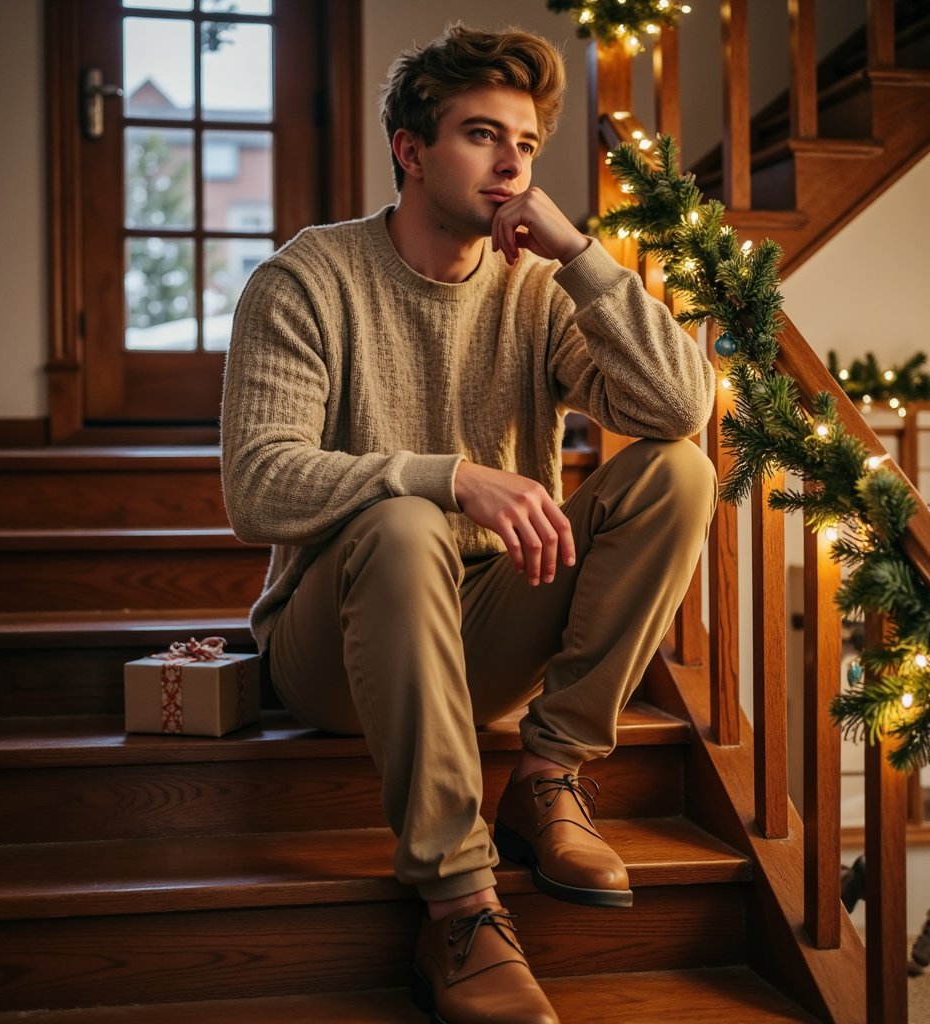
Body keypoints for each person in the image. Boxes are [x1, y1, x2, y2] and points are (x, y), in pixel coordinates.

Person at [221, 23, 716, 1024]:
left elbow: (675, 404)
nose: (509, 164)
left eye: (525, 145)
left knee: (678, 474)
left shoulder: (536, 289)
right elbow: (257, 485)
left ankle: (547, 778)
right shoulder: (305, 280)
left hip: (483, 627)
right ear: (410, 148)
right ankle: (459, 901)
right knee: (404, 522)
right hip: (335, 644)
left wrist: (579, 253)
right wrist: (447, 477)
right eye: (481, 135)